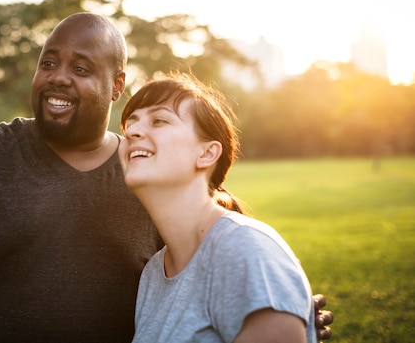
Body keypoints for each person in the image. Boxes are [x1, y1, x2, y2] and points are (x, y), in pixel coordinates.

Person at [0, 12, 332, 342]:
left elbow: (231, 250)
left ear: (117, 83)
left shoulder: (150, 174)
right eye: (49, 62)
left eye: (82, 68)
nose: (59, 77)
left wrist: (281, 311)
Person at [119, 71, 321, 342]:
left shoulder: (246, 250)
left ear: (206, 154)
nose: (132, 131)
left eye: (159, 120)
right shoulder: (154, 273)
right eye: (130, 124)